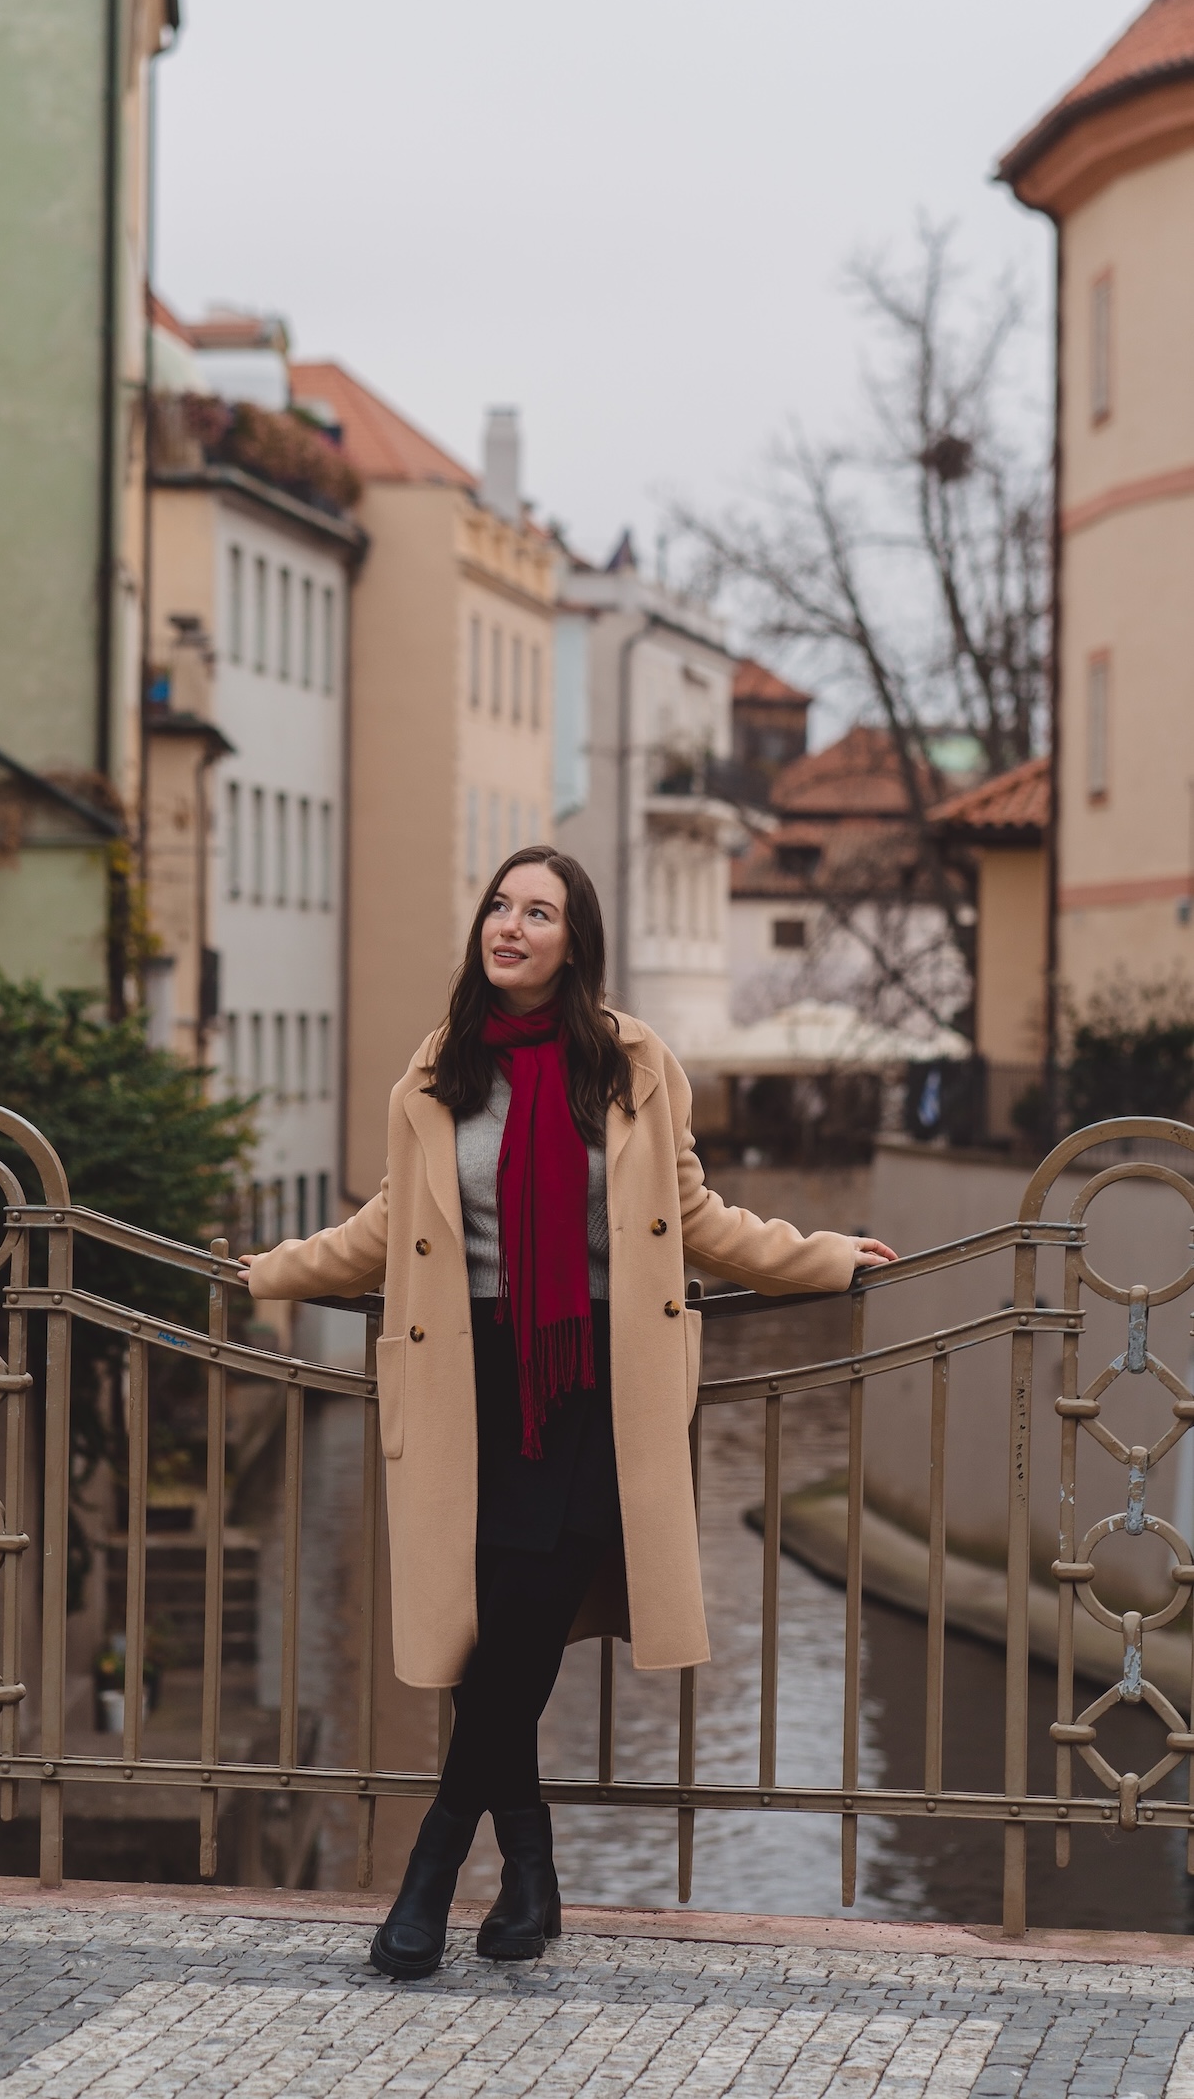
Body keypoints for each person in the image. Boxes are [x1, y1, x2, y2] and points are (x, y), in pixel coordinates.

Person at [241, 847, 895, 1979]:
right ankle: (532, 1878)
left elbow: (696, 1216)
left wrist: (823, 1257)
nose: (509, 926)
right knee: (493, 1642)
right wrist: (266, 1272)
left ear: (574, 941)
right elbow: (385, 1230)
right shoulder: (439, 1070)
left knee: (520, 1629)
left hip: (598, 1386)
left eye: (537, 912)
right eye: (498, 905)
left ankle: (434, 1870)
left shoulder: (635, 1066)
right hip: (472, 1387)